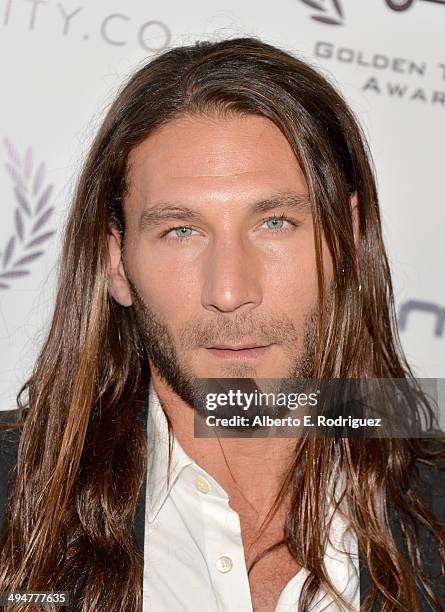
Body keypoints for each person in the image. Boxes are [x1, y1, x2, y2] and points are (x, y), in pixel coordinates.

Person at [0, 36, 444, 612]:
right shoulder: (14, 494)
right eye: (181, 231)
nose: (230, 293)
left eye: (276, 222)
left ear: (351, 242)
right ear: (117, 262)